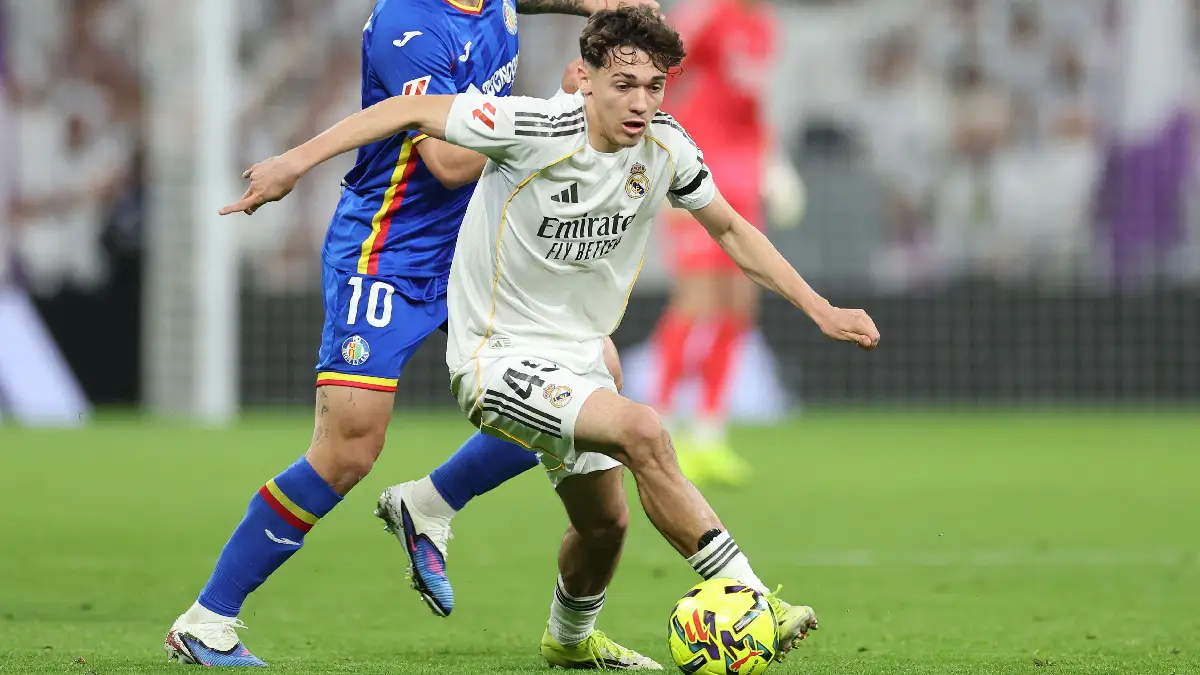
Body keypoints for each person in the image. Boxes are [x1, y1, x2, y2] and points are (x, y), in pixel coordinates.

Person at [222, 6, 879, 669]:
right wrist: (292, 162)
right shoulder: (533, 124)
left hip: (574, 353)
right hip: (496, 357)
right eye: (624, 85)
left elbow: (733, 230)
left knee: (604, 525)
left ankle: (566, 637)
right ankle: (753, 596)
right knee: (643, 429)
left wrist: (819, 307)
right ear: (584, 79)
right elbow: (403, 115)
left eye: (654, 86)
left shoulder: (668, 146)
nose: (641, 102)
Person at [163, 0, 656, 667]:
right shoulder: (409, 26)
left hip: (474, 248)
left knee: (591, 376)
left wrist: (601, 5)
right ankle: (207, 621)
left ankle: (432, 503)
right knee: (348, 449)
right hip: (388, 248)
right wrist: (560, 109)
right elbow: (449, 162)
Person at [650, 0, 804, 487]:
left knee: (739, 305)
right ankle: (658, 426)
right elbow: (663, 70)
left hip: (744, 173)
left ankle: (708, 436)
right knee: (696, 301)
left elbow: (754, 104)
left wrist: (774, 162)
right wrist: (655, 148)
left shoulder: (765, 26)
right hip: (698, 167)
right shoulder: (711, 13)